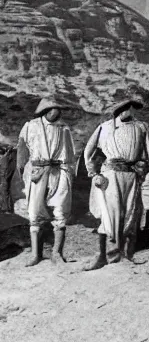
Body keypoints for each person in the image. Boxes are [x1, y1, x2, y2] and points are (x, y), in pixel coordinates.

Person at [83, 98, 149, 271]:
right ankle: (103, 256)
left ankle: (126, 255)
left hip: (132, 176)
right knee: (109, 215)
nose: (127, 112)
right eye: (123, 108)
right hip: (111, 176)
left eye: (129, 109)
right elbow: (88, 151)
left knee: (131, 214)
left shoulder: (141, 127)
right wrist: (93, 173)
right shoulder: (105, 127)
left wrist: (148, 171)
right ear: (117, 110)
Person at [17, 96, 76, 266]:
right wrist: (25, 174)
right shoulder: (30, 126)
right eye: (52, 109)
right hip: (37, 172)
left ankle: (57, 253)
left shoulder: (64, 128)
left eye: (58, 109)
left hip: (59, 172)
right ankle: (36, 254)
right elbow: (22, 150)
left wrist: (68, 172)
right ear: (45, 110)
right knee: (35, 213)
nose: (55, 112)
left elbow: (70, 153)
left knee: (60, 212)